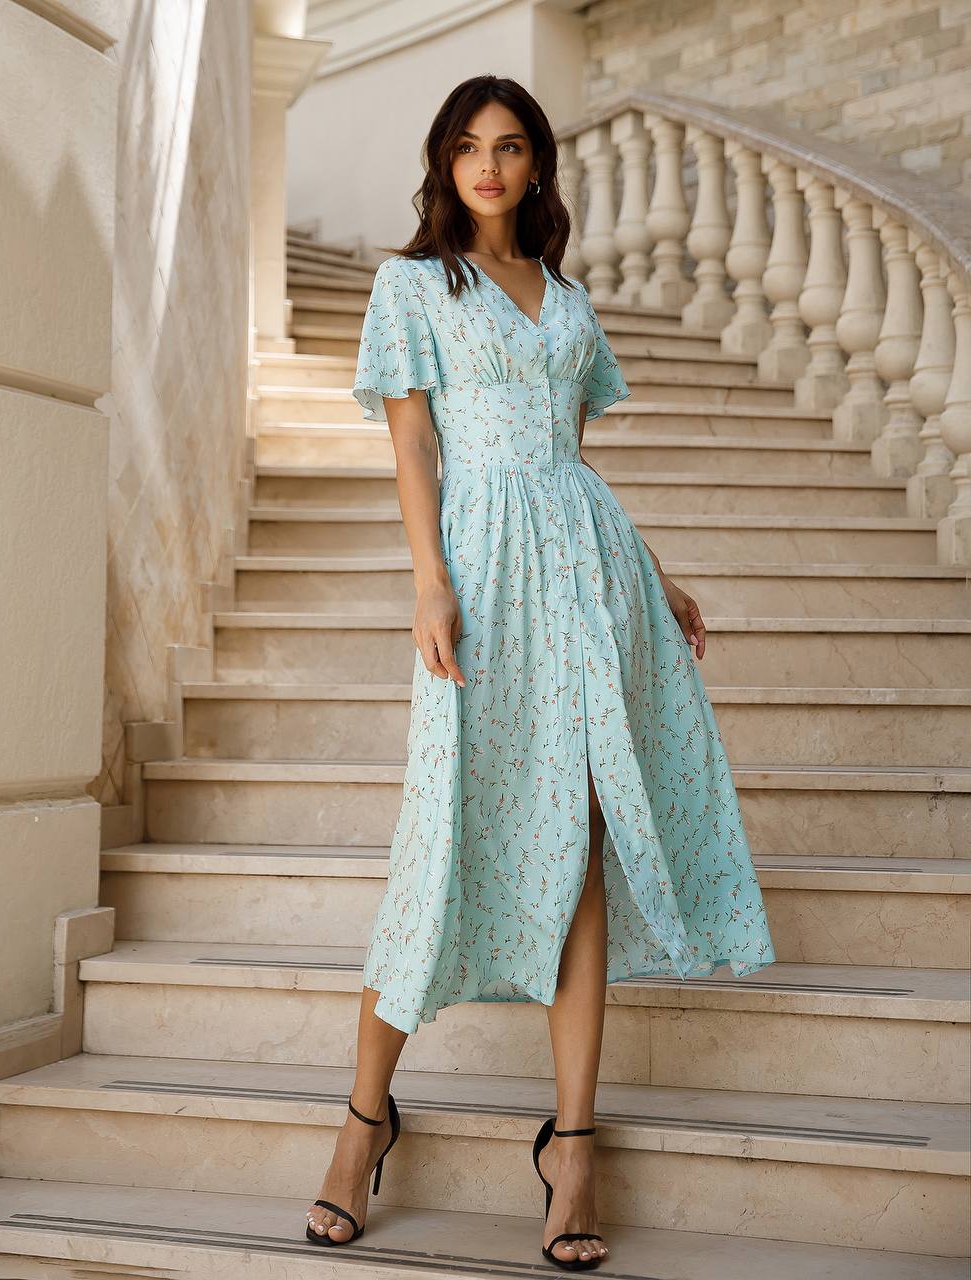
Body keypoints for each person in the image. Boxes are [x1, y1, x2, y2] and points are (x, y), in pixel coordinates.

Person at [305, 74, 776, 1272]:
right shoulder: (413, 285)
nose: (489, 166)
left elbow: (570, 462)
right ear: (444, 163)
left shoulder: (563, 297)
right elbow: (414, 438)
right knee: (437, 840)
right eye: (467, 147)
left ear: (536, 166)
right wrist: (427, 579)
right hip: (480, 573)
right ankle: (363, 1122)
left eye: (509, 147)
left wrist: (653, 572)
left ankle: (572, 1147)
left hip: (591, 577)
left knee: (580, 842)